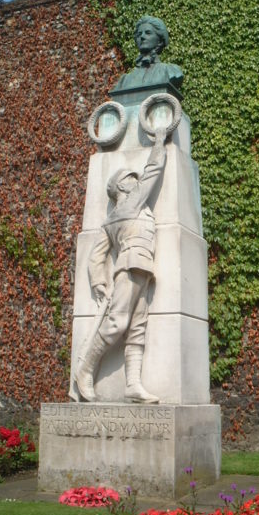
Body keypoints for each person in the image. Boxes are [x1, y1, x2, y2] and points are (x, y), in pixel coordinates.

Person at [75, 127, 169, 403]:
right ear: (123, 187)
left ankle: (133, 385)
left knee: (137, 327)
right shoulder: (132, 204)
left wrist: (98, 282)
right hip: (130, 267)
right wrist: (160, 142)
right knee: (117, 323)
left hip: (141, 270)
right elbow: (153, 171)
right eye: (131, 178)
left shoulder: (113, 217)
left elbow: (97, 256)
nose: (137, 180)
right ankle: (85, 369)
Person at [111, 16, 184, 93]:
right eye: (139, 34)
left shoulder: (171, 72)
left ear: (160, 41)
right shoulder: (125, 81)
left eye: (148, 33)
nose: (142, 36)